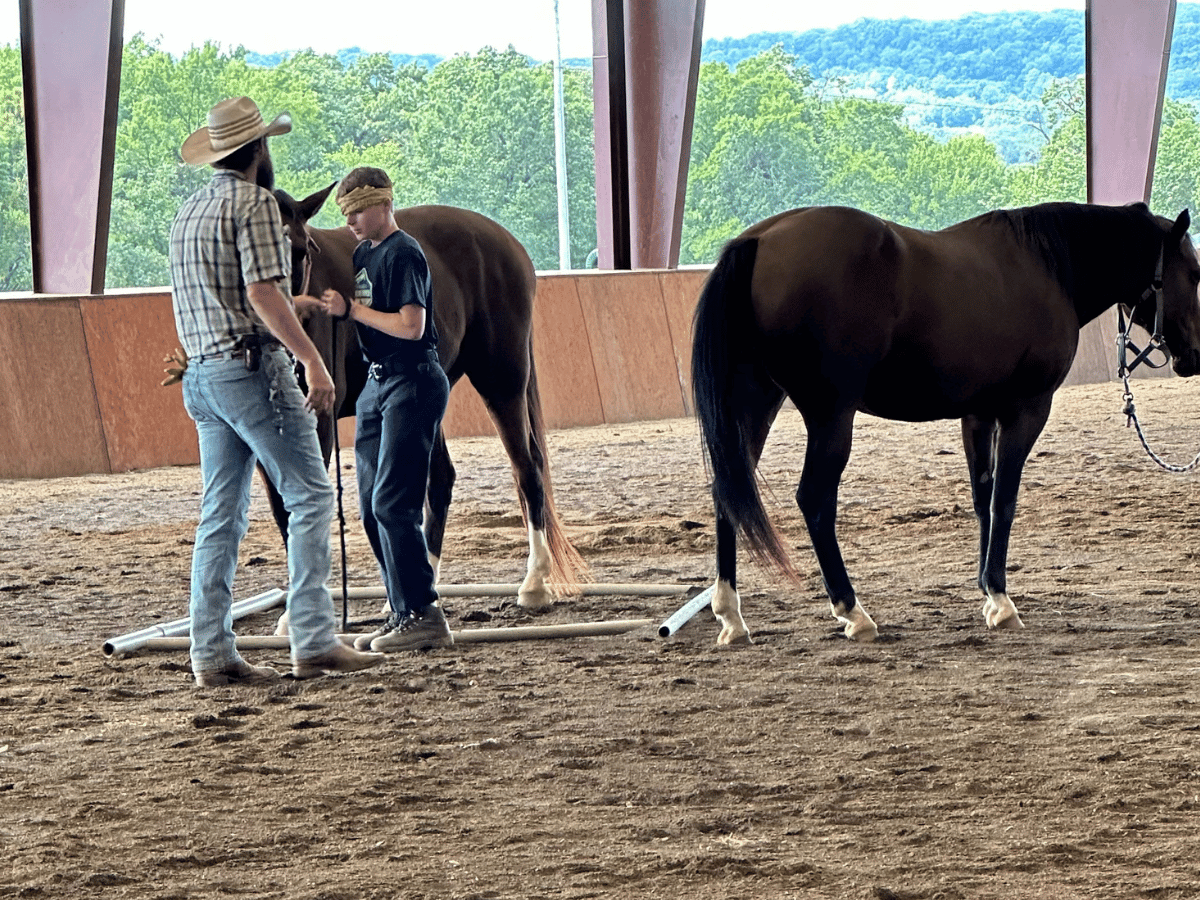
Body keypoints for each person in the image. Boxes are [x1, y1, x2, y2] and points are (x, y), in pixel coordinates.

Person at [170, 97, 385, 686]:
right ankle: (314, 639)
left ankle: (210, 651)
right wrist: (313, 360)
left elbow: (230, 297)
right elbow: (262, 294)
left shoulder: (190, 211)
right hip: (252, 370)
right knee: (312, 496)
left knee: (221, 514)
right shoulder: (259, 203)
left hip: (204, 376)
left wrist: (300, 304)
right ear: (259, 150)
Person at [302, 166, 453, 653]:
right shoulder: (366, 253)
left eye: (357, 211)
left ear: (384, 204)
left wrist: (352, 312)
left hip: (411, 379)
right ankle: (401, 606)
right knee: (371, 507)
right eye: (344, 213)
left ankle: (423, 613)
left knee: (393, 502)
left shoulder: (404, 252)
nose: (349, 222)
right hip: (377, 382)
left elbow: (412, 325)